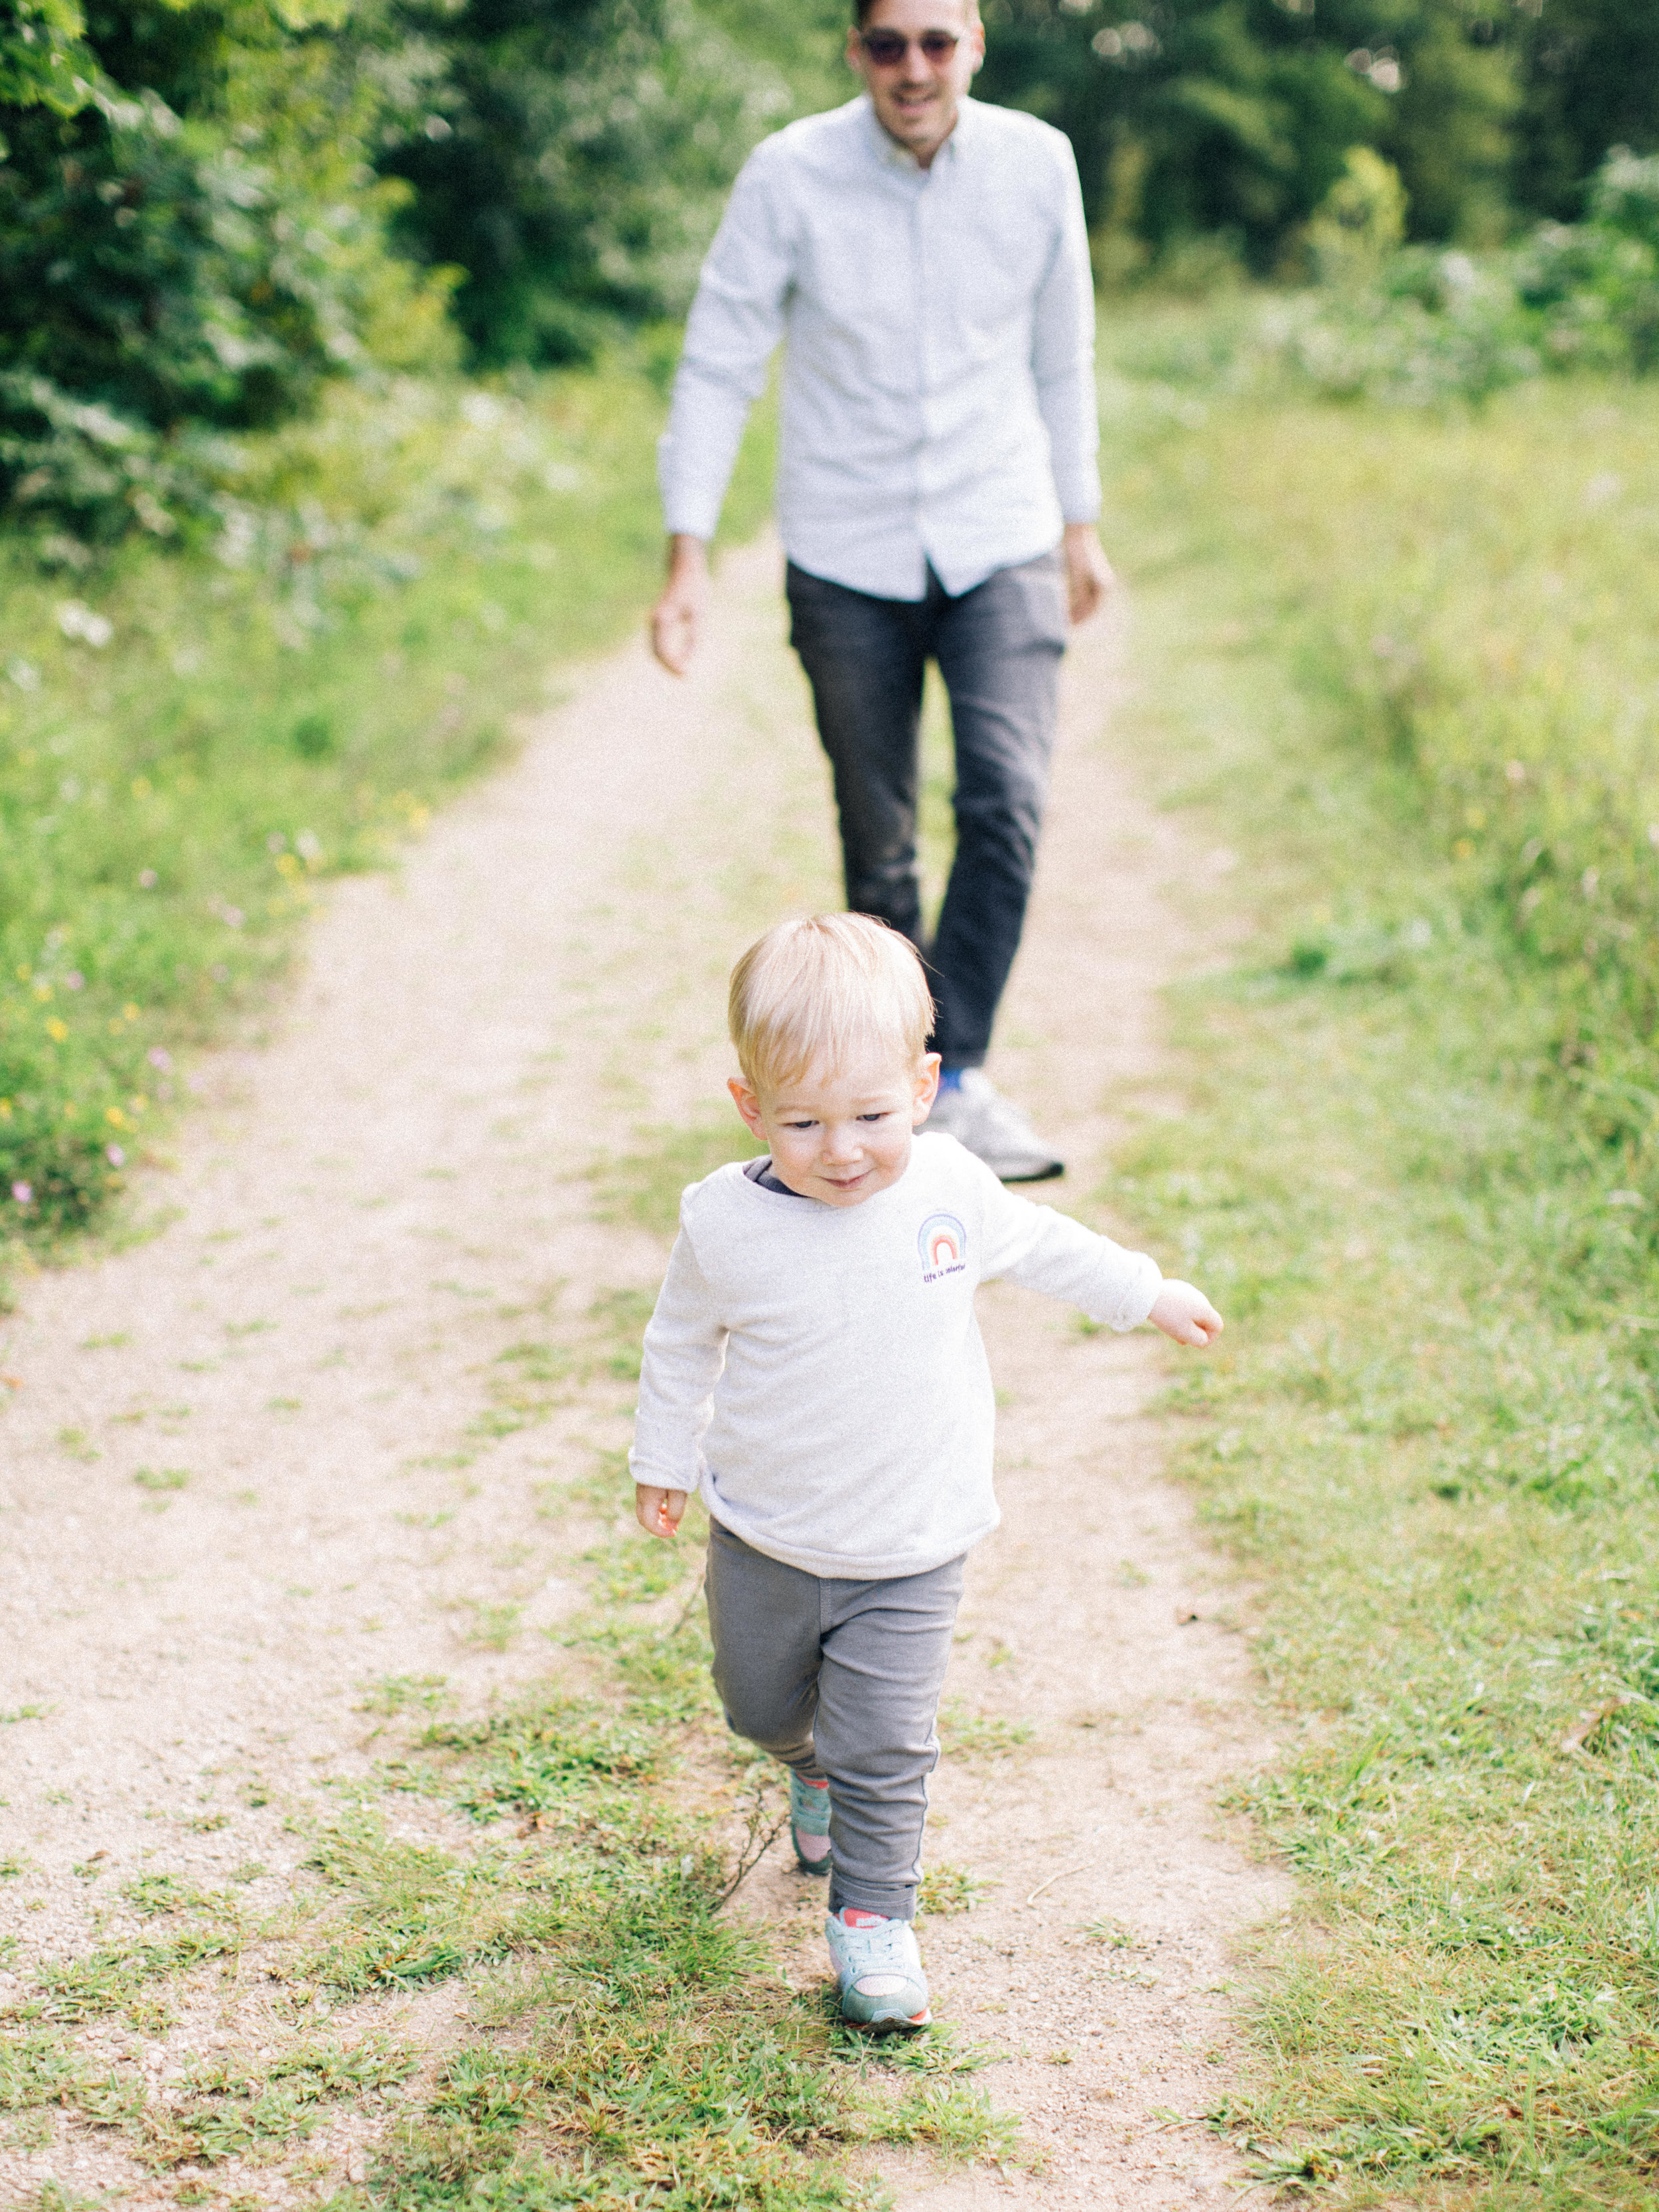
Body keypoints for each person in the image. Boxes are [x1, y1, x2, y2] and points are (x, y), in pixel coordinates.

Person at [629, 914, 1222, 2029]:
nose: (844, 1149)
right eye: (803, 1122)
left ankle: (873, 1922)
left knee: (889, 1740)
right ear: (750, 1105)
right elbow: (677, 1341)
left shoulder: (948, 1188)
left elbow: (1048, 1245)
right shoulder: (723, 1223)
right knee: (758, 1706)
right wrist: (665, 1455)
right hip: (765, 1533)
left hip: (914, 1539)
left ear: (925, 1084)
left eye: (871, 1115)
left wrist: (1144, 1290)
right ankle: (808, 1766)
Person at [650, 0, 1114, 1184]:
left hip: (999, 530)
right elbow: (719, 356)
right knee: (882, 841)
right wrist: (688, 552)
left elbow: (1064, 350)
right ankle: (898, 1093)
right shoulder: (789, 173)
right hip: (846, 548)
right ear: (855, 51)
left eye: (937, 43)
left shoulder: (1037, 162)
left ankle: (952, 1077)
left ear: (975, 43)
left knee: (1007, 803)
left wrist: (1080, 521)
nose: (914, 69)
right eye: (888, 45)